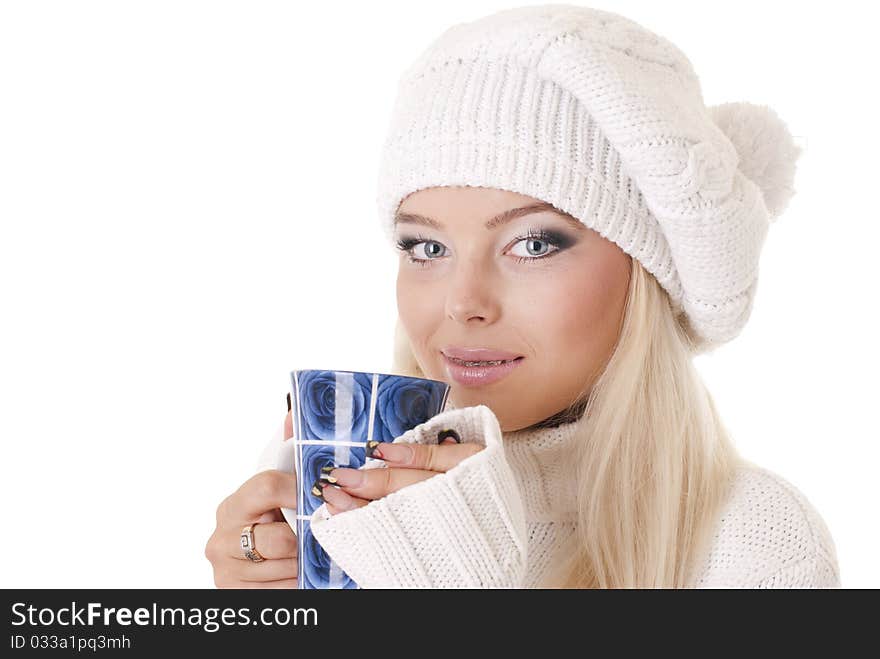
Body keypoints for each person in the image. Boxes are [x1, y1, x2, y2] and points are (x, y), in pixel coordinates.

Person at [204, 4, 840, 588]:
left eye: (533, 244)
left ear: (643, 277)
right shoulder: (353, 521)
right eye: (426, 248)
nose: (463, 303)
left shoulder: (757, 542)